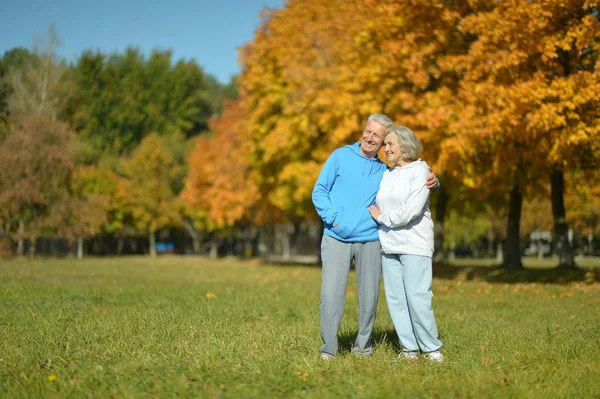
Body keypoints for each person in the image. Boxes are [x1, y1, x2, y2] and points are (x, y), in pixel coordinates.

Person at [312, 114, 438, 360]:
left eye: (377, 136)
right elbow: (319, 191)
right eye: (368, 131)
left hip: (371, 239)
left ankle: (363, 347)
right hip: (335, 236)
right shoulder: (340, 156)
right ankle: (329, 348)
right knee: (331, 294)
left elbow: (411, 177)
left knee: (369, 297)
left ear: (384, 142)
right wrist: (334, 219)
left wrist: (435, 181)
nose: (370, 138)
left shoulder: (385, 170)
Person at [368, 124, 443, 362]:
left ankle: (432, 349)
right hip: (389, 245)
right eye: (385, 144)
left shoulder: (421, 171)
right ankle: (409, 349)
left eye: (391, 144)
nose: (385, 148)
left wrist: (382, 218)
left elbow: (410, 211)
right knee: (396, 299)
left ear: (405, 145)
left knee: (417, 296)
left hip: (414, 244)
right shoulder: (387, 173)